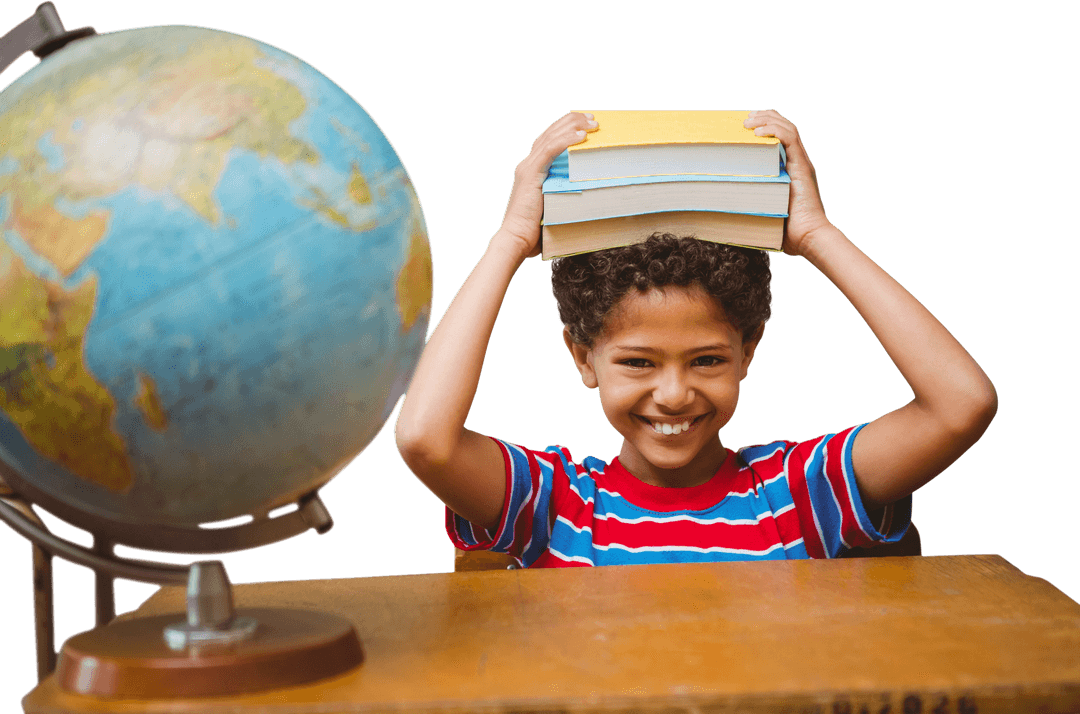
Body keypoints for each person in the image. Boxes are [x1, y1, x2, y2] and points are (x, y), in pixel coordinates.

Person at [394, 110, 997, 568]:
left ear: (747, 354)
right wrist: (512, 237)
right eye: (637, 362)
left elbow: (961, 405)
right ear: (584, 357)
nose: (675, 394)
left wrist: (816, 233)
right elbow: (425, 439)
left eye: (707, 359)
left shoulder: (799, 492)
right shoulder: (555, 506)